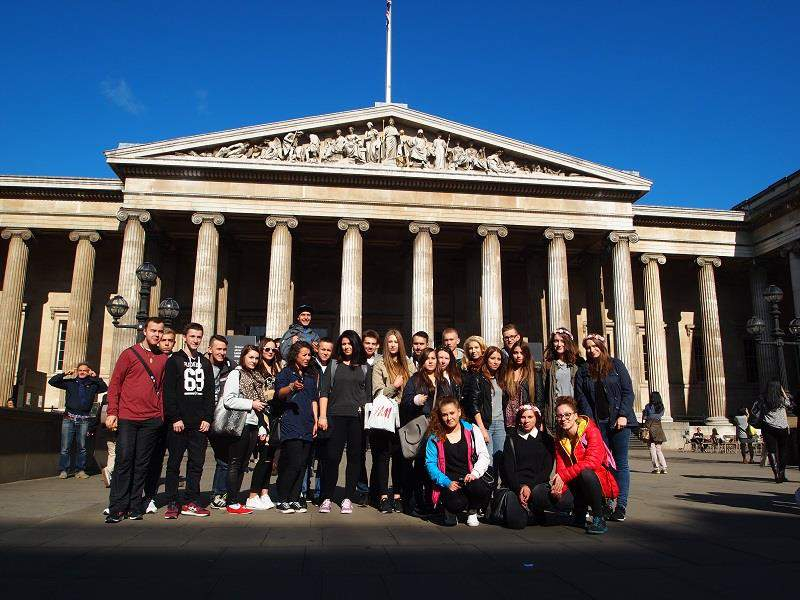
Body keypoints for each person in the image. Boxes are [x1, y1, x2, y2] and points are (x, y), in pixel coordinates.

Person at [104, 318, 169, 524]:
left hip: (151, 419)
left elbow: (162, 390)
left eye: (160, 331)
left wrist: (160, 415)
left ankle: (134, 505)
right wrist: (112, 411)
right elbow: (115, 384)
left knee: (142, 464)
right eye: (153, 331)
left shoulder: (163, 359)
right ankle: (117, 507)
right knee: (124, 461)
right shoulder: (129, 354)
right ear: (145, 331)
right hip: (128, 417)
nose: (157, 335)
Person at [575, 333, 637, 522]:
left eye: (595, 346)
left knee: (621, 464)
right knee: (602, 464)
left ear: (602, 347)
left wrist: (623, 415)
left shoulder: (616, 365)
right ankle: (607, 502)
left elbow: (628, 392)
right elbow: (582, 398)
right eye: (588, 347)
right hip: (597, 424)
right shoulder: (583, 371)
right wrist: (590, 423)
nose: (591, 350)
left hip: (619, 422)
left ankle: (621, 505)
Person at [162, 323, 214, 518]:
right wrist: (175, 417)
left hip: (199, 424)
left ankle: (191, 500)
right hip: (179, 423)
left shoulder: (205, 362)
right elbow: (169, 392)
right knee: (174, 463)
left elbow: (210, 393)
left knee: (196, 464)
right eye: (192, 336)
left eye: (199, 337)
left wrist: (207, 418)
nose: (195, 340)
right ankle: (173, 501)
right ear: (185, 337)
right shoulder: (174, 360)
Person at [317, 330, 370, 514]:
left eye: (350, 343)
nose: (346, 347)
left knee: (355, 459)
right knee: (332, 458)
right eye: (344, 344)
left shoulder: (364, 367)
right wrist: (322, 416)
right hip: (335, 417)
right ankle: (327, 497)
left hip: (357, 419)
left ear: (356, 345)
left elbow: (368, 396)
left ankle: (347, 497)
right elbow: (324, 392)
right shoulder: (333, 365)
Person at [553, 396, 618, 534]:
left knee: (586, 473)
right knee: (544, 494)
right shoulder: (559, 438)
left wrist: (563, 476)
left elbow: (592, 462)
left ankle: (598, 517)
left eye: (567, 414)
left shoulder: (591, 431)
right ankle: (579, 512)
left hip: (596, 481)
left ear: (576, 416)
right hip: (576, 483)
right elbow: (561, 465)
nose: (563, 418)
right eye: (559, 416)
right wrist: (558, 488)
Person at [500, 405, 573, 529]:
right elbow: (509, 470)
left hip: (537, 485)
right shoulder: (511, 438)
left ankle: (535, 508)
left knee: (543, 495)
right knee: (516, 523)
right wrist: (520, 488)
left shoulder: (547, 439)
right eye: (523, 417)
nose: (526, 420)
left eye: (530, 417)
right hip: (516, 486)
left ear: (536, 418)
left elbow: (546, 470)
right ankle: (529, 510)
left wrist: (529, 486)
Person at [425, 397, 491, 527]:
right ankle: (451, 510)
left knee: (479, 488)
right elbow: (430, 464)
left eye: (452, 413)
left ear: (459, 412)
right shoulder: (434, 437)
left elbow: (484, 455)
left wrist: (475, 473)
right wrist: (446, 482)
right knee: (455, 505)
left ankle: (472, 510)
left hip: (470, 478)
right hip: (449, 481)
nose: (449, 418)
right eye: (444, 414)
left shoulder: (472, 430)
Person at [219, 345, 268, 514]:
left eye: (256, 358)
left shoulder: (255, 376)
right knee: (235, 463)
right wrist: (251, 403)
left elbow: (260, 405)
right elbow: (229, 400)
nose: (254, 361)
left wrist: (261, 425)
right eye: (251, 357)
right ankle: (231, 501)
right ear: (243, 357)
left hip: (253, 424)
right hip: (240, 424)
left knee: (243, 464)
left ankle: (235, 500)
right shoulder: (236, 374)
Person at [274, 341, 319, 513]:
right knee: (293, 462)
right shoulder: (286, 373)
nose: (308, 358)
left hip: (307, 422)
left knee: (302, 464)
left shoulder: (310, 375)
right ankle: (282, 498)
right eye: (304, 355)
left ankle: (294, 498)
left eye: (309, 355)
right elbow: (279, 393)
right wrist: (291, 387)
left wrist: (315, 420)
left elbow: (314, 399)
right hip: (291, 422)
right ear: (295, 355)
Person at [370, 329, 413, 513]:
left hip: (403, 415)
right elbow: (377, 393)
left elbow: (414, 387)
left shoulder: (409, 364)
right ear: (385, 345)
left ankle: (397, 494)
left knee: (400, 458)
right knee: (382, 457)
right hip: (385, 415)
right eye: (390, 342)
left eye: (396, 341)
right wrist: (393, 387)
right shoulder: (379, 364)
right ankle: (382, 496)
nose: (393, 345)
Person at [49, 363, 107, 479]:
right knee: (66, 446)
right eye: (80, 370)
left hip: (84, 419)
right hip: (69, 418)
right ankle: (64, 470)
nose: (82, 372)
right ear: (77, 371)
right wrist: (65, 373)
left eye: (84, 370)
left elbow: (104, 388)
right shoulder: (70, 383)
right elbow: (52, 382)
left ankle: (80, 470)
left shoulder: (92, 384)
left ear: (88, 371)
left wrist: (95, 377)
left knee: (82, 446)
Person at [142, 327, 177, 512]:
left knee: (169, 460)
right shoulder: (150, 360)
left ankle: (157, 497)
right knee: (148, 459)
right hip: (152, 415)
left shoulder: (176, 361)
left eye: (170, 340)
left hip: (171, 419)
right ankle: (145, 496)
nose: (166, 343)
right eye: (164, 340)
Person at [401, 347, 438, 516]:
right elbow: (405, 402)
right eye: (427, 358)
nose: (431, 361)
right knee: (420, 468)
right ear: (422, 362)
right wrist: (415, 401)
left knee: (434, 466)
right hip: (421, 428)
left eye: (433, 358)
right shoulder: (415, 379)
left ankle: (432, 502)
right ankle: (416, 502)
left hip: (438, 428)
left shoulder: (441, 380)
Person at [246, 337, 282, 511]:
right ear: (261, 350)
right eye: (267, 349)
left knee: (271, 458)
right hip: (262, 417)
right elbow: (257, 394)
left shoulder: (277, 367)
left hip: (276, 416)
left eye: (273, 349)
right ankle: (253, 494)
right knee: (263, 457)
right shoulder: (256, 369)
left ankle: (265, 492)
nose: (270, 352)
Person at [463, 346, 507, 466]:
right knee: (487, 461)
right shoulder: (478, 378)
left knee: (500, 458)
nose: (495, 362)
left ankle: (496, 484)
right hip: (485, 423)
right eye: (492, 358)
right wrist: (482, 429)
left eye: (498, 359)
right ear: (486, 359)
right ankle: (488, 485)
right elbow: (474, 404)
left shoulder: (501, 378)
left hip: (500, 424)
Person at [206, 335, 234, 509]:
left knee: (223, 458)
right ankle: (189, 496)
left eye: (224, 349)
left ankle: (218, 493)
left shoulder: (230, 367)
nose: (222, 353)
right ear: (210, 349)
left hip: (220, 418)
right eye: (218, 349)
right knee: (195, 460)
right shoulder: (200, 366)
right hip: (201, 417)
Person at [540, 328, 583, 433]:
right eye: (556, 341)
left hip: (574, 410)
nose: (559, 344)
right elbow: (543, 391)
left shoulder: (579, 363)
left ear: (568, 342)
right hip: (555, 411)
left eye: (562, 341)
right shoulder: (548, 364)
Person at [356, 329, 381, 504]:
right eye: (367, 343)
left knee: (379, 453)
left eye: (373, 343)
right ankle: (362, 489)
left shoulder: (382, 362)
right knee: (359, 453)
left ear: (377, 345)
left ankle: (376, 489)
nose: (370, 346)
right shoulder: (356, 362)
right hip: (360, 412)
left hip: (379, 413)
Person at [757, 380, 793, 483]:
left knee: (772, 450)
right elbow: (790, 405)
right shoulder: (782, 399)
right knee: (783, 450)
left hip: (768, 427)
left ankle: (776, 474)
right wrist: (783, 393)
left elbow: (758, 410)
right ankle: (782, 473)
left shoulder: (763, 398)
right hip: (782, 428)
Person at [503, 341, 542, 432]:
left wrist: (538, 420)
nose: (519, 356)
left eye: (522, 353)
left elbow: (540, 400)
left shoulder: (534, 373)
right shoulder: (506, 373)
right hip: (509, 420)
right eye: (516, 353)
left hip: (527, 419)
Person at [642, 391, 668, 474]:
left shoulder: (648, 406)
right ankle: (664, 467)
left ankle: (656, 468)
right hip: (658, 427)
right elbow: (660, 415)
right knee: (658, 449)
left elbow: (646, 417)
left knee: (651, 448)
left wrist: (646, 414)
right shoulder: (661, 406)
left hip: (649, 426)